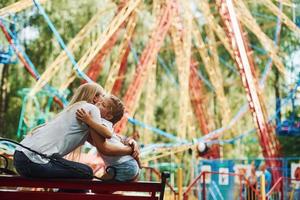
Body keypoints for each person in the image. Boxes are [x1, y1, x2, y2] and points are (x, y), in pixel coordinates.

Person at [13, 83, 134, 179]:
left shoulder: (72, 110)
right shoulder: (92, 110)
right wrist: (130, 149)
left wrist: (127, 140)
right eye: (103, 96)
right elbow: (104, 146)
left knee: (70, 167)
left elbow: (108, 136)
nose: (104, 99)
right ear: (95, 98)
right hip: (33, 161)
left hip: (20, 157)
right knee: (86, 172)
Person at [76, 94, 141, 182]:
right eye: (100, 101)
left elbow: (108, 134)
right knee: (100, 190)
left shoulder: (103, 122)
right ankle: (138, 168)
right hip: (124, 165)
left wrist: (88, 120)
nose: (99, 103)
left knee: (97, 189)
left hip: (123, 166)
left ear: (109, 116)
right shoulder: (102, 123)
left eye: (103, 105)